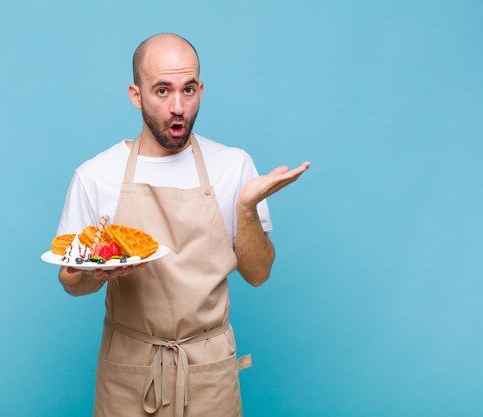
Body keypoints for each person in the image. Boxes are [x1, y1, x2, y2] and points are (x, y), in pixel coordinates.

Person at [56, 33, 310, 417]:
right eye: (162, 91)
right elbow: (70, 281)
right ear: (135, 94)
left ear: (201, 90)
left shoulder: (233, 166)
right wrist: (100, 271)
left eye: (188, 90)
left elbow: (258, 274)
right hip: (130, 369)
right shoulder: (96, 175)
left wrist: (245, 209)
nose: (178, 107)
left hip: (208, 371)